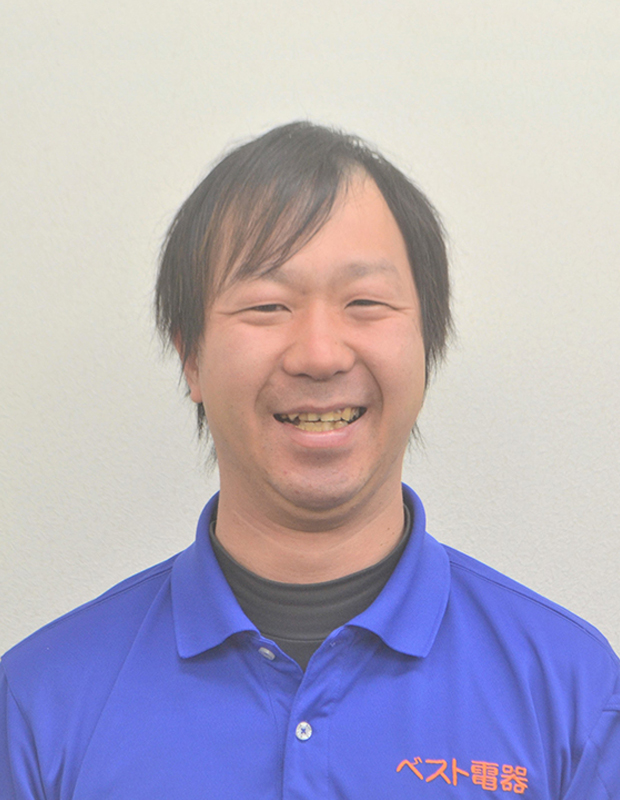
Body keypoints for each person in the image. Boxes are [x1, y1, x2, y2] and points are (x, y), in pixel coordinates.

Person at [1, 122, 618, 800]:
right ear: (190, 357)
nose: (320, 354)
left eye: (365, 303)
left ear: (428, 340)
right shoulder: (38, 705)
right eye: (268, 305)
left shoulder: (575, 695)